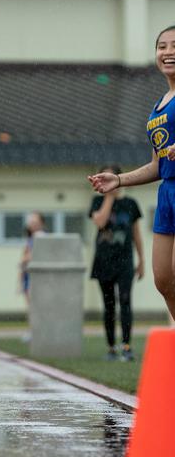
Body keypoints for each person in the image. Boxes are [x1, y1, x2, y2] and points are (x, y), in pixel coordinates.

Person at [89, 25, 175, 323]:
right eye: (162, 46)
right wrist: (120, 179)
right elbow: (157, 165)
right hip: (167, 192)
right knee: (163, 280)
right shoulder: (158, 107)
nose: (168, 52)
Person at [89, 164, 145, 362]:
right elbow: (100, 222)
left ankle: (127, 346)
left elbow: (136, 233)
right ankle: (111, 347)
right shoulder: (97, 201)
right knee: (109, 305)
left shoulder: (131, 203)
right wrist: (109, 197)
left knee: (126, 301)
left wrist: (142, 260)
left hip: (125, 261)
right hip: (103, 260)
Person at [19, 212, 46, 342]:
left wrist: (25, 259)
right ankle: (33, 331)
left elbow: (32, 255)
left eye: (35, 222)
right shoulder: (30, 239)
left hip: (36, 278)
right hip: (27, 276)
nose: (32, 224)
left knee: (36, 307)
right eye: (31, 222)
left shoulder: (40, 237)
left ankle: (38, 332)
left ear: (41, 223)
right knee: (30, 307)